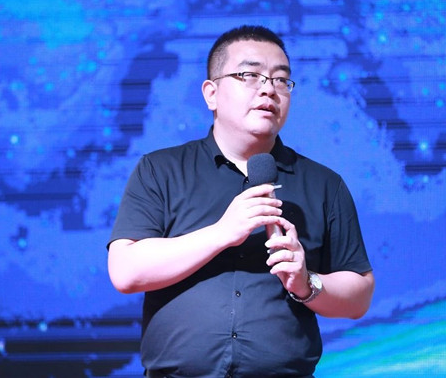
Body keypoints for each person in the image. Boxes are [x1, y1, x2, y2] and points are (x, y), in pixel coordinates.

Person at [108, 25, 374, 377]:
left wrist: (307, 283)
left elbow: (359, 296)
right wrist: (222, 233)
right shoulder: (160, 170)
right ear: (211, 94)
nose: (268, 89)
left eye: (281, 80)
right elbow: (125, 271)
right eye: (249, 75)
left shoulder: (324, 184)